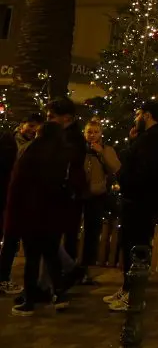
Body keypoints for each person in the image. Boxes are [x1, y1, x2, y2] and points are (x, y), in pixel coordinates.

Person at [5, 121, 82, 315]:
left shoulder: (31, 152)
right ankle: (59, 295)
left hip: (32, 212)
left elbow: (19, 184)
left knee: (32, 258)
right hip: (55, 213)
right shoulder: (66, 154)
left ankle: (30, 300)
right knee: (51, 254)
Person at [104, 101, 158, 312]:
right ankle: (127, 288)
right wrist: (133, 141)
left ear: (147, 115)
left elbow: (142, 172)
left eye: (139, 114)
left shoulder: (155, 140)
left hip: (141, 201)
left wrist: (119, 172)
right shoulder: (148, 138)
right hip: (137, 199)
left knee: (136, 246)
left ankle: (135, 295)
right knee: (129, 244)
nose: (136, 118)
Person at [0, 114, 43, 295]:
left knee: (11, 239)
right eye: (30, 126)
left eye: (36, 128)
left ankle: (3, 277)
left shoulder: (37, 147)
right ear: (22, 124)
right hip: (4, 194)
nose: (33, 131)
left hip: (20, 199)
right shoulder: (7, 141)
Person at [46, 97, 88, 279]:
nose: (49, 121)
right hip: (65, 191)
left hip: (67, 192)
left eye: (52, 117)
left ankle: (67, 272)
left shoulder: (71, 138)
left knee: (62, 235)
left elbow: (66, 163)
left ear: (66, 118)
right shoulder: (63, 136)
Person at [80, 119, 120, 284]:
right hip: (78, 194)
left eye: (96, 132)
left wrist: (101, 153)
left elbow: (115, 168)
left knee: (92, 232)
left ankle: (85, 269)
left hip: (96, 195)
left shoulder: (107, 150)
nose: (92, 135)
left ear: (101, 133)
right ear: (85, 133)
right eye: (90, 132)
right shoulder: (79, 149)